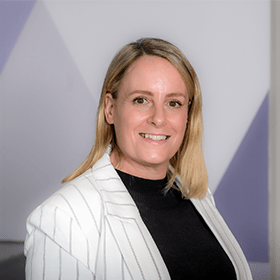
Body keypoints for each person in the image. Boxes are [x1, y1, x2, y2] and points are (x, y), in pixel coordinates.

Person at [24, 38, 252, 280]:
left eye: (173, 103)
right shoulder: (63, 217)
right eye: (141, 100)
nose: (158, 118)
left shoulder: (199, 197)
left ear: (188, 115)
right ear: (110, 109)